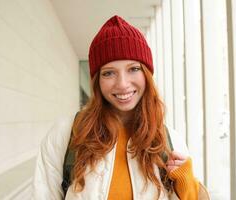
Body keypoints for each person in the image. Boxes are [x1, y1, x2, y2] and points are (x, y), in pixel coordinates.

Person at [33, 15, 209, 200]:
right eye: (109, 73)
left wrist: (187, 185)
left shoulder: (169, 141)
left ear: (147, 75)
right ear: (97, 81)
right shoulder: (68, 133)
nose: (123, 84)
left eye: (133, 69)